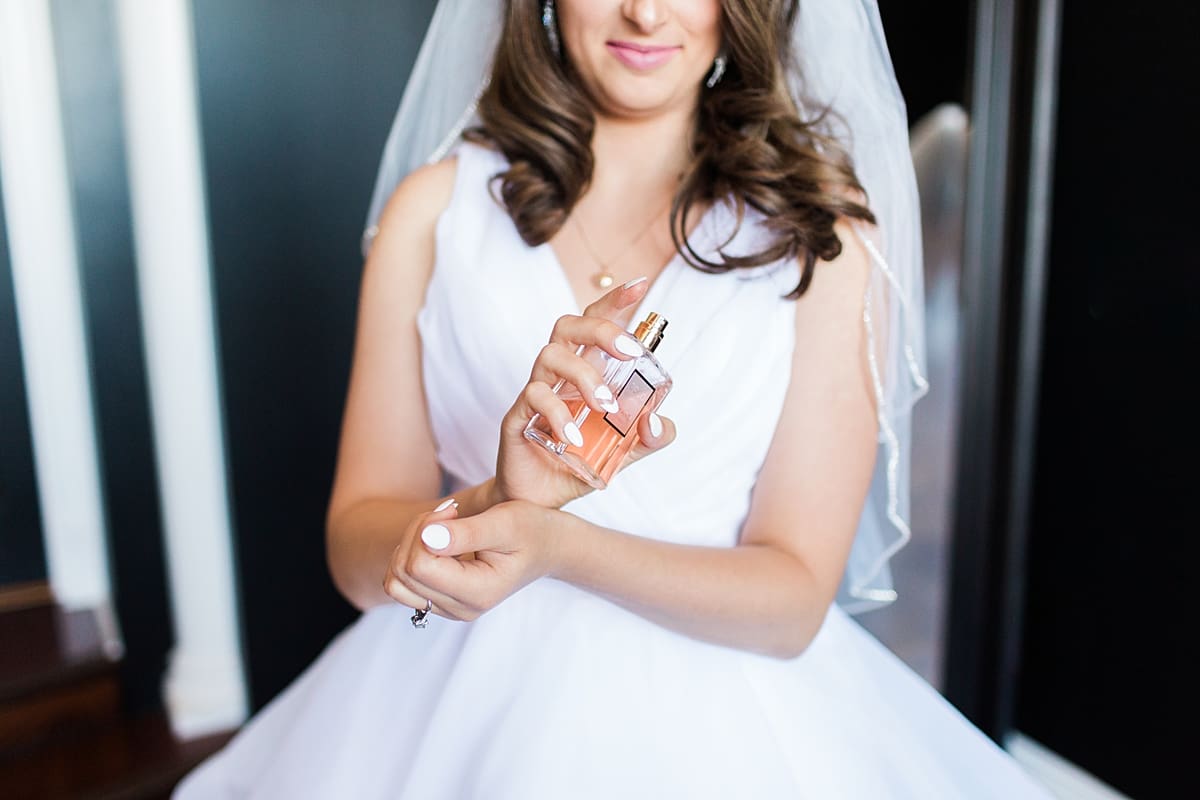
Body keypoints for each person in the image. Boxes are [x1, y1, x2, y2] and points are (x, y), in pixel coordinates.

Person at [176, 1, 1055, 797]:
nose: (642, 12)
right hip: (438, 701)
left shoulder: (822, 242)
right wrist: (492, 505)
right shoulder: (432, 214)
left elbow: (792, 603)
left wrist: (561, 546)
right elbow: (353, 543)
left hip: (733, 721)